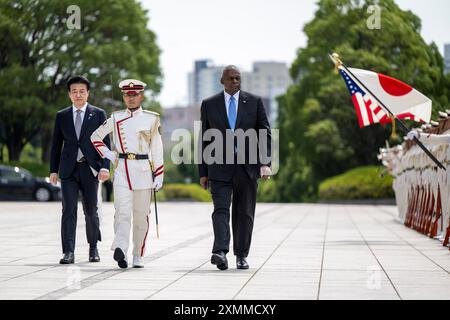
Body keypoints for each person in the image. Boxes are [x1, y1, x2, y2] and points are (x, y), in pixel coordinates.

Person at [198, 65, 272, 270]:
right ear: (222, 80)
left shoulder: (255, 102)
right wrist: (203, 172)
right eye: (230, 78)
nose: (234, 81)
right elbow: (203, 139)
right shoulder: (209, 104)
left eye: (238, 78)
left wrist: (265, 163)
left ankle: (241, 255)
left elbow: (265, 133)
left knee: (244, 212)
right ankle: (220, 251)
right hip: (219, 168)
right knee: (220, 209)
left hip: (247, 168)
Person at [91, 79, 164, 268]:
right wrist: (108, 154)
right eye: (127, 95)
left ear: (141, 96)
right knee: (121, 212)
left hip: (143, 171)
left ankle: (138, 253)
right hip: (122, 169)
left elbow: (156, 148)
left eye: (134, 95)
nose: (130, 98)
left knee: (141, 216)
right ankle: (121, 249)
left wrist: (159, 174)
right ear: (123, 96)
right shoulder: (115, 117)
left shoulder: (151, 118)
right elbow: (95, 137)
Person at [50, 75, 110, 264]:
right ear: (69, 94)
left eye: (81, 91)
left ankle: (93, 249)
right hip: (68, 170)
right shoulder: (62, 116)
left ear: (88, 93)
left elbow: (105, 143)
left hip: (90, 168)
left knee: (91, 211)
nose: (78, 95)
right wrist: (53, 170)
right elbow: (55, 145)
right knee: (68, 210)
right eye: (74, 91)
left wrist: (105, 167)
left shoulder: (98, 114)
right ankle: (68, 252)